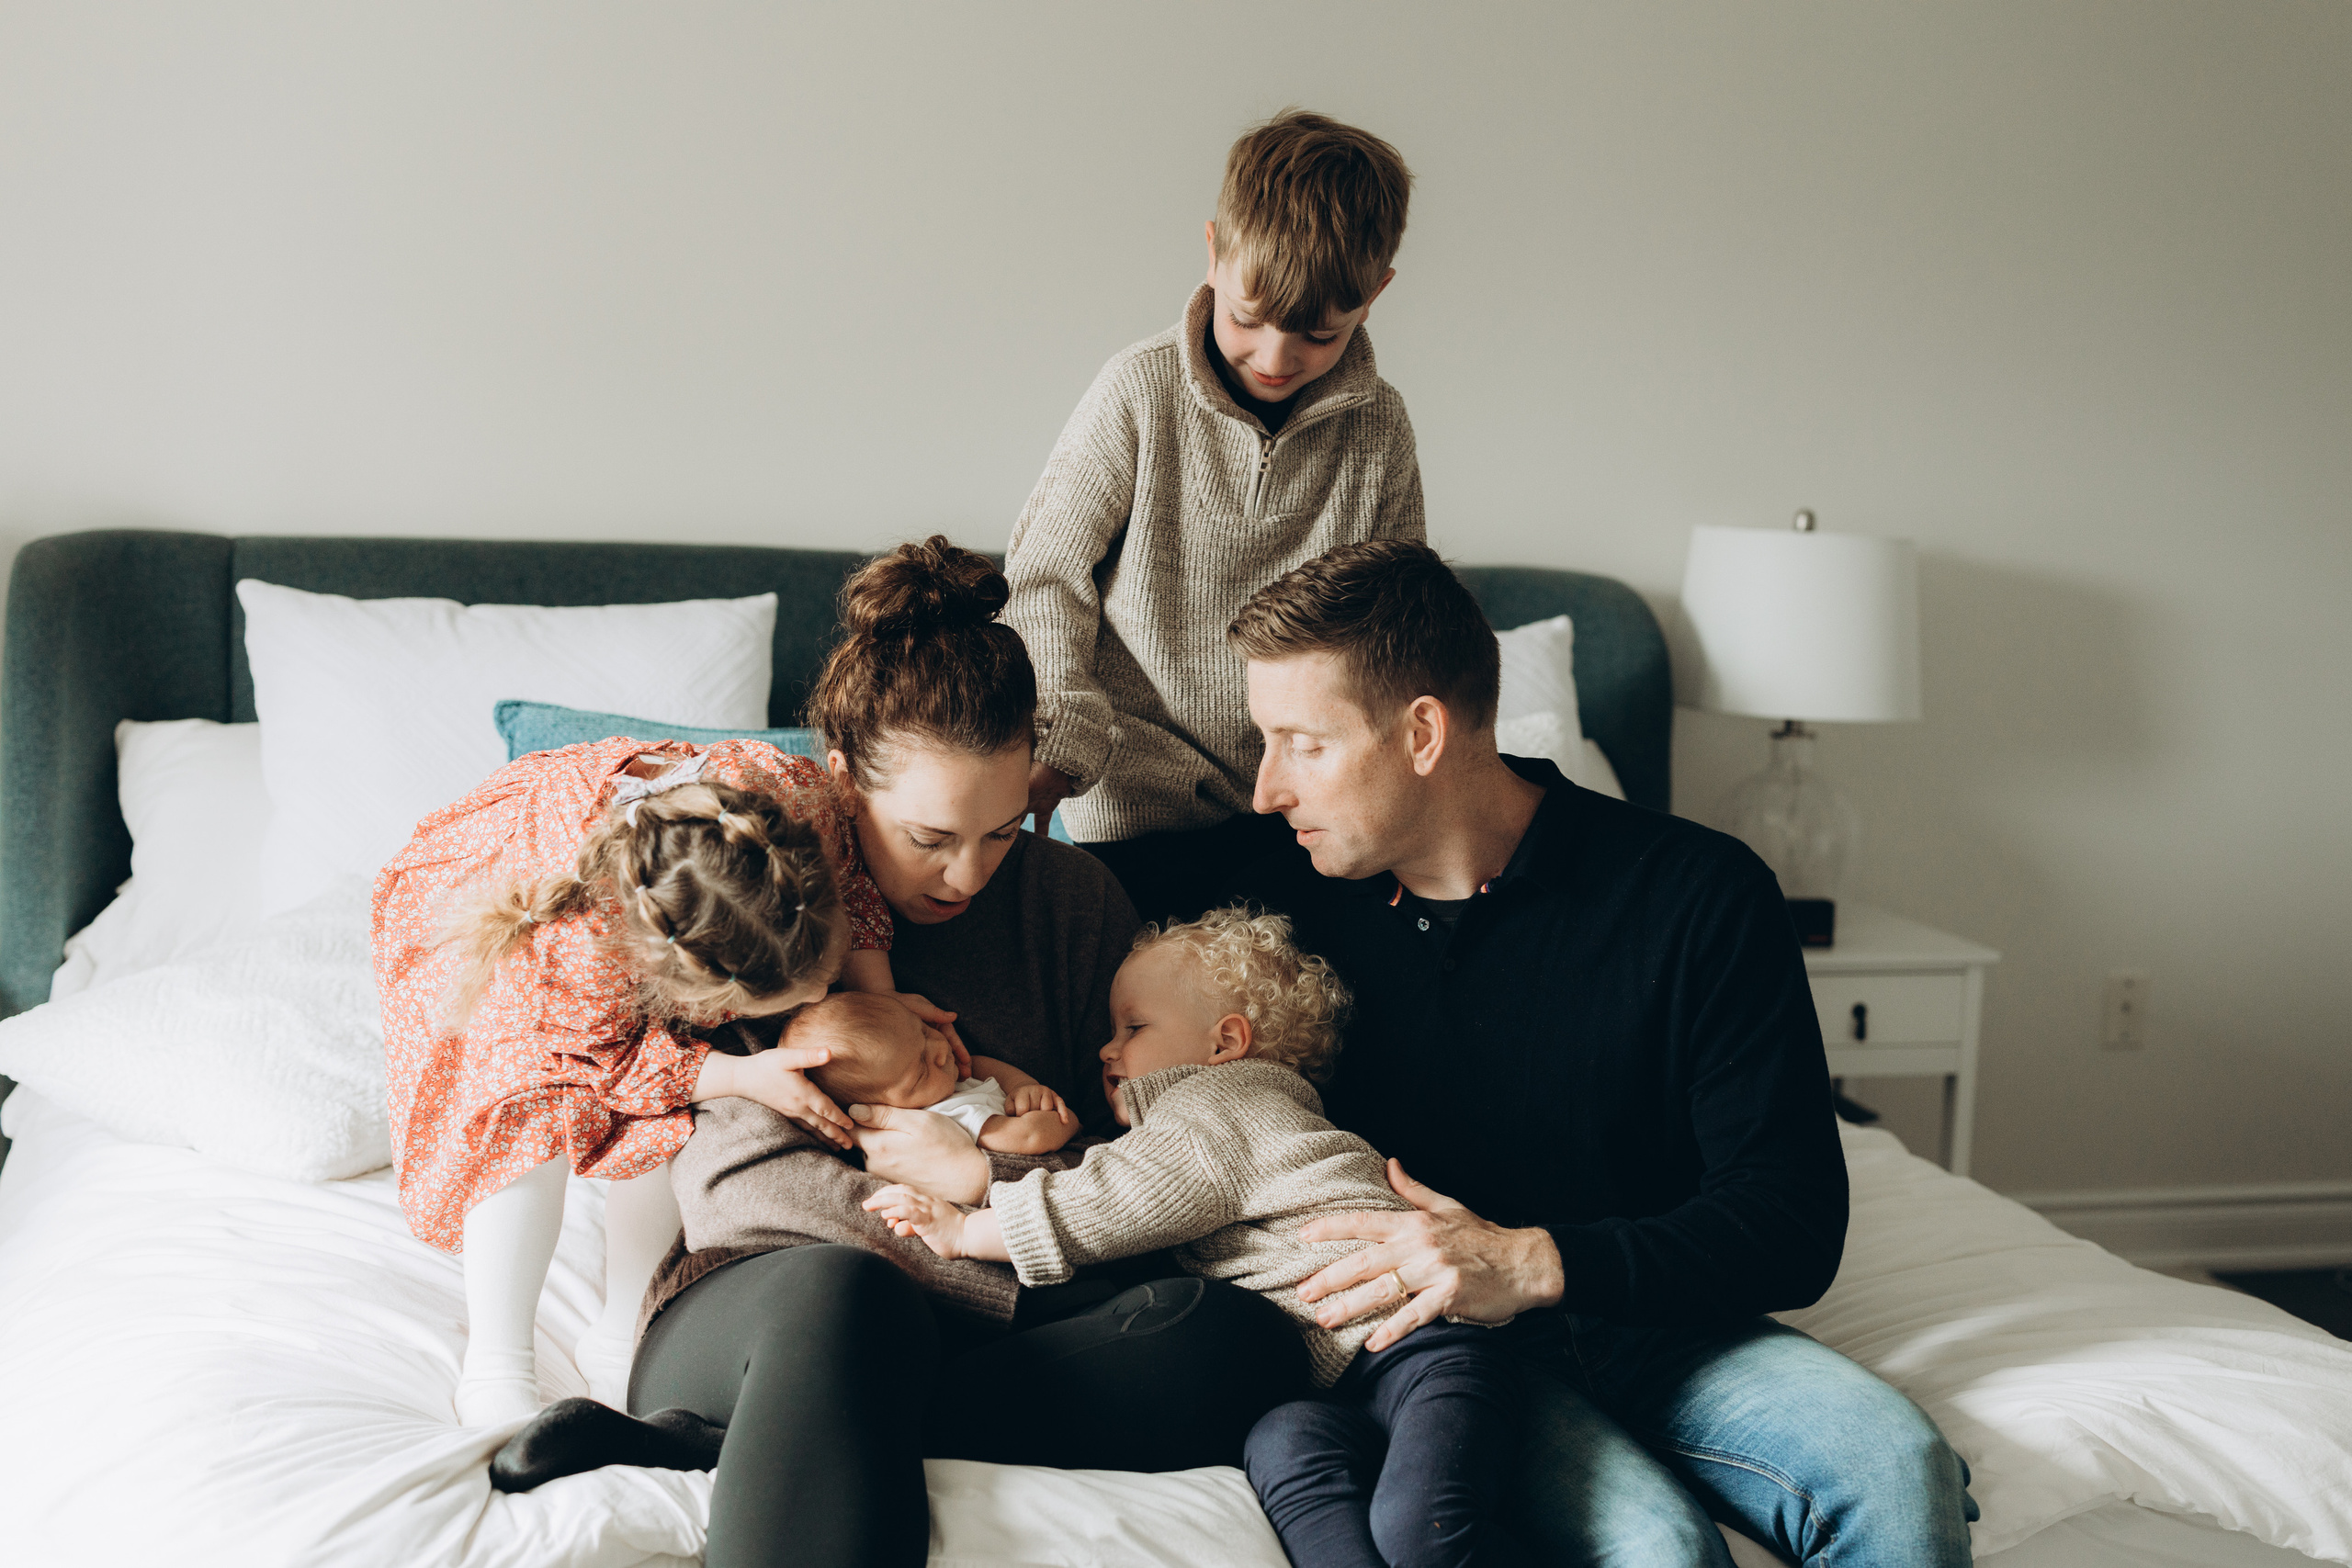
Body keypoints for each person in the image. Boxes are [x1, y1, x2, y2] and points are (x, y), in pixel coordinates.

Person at [488, 537, 1309, 1568]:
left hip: (1013, 1292)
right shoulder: (759, 891)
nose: (968, 875)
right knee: (849, 1298)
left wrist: (988, 1181)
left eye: (1003, 832)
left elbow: (1134, 1148)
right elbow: (744, 1192)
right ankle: (758, 1414)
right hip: (776, 1312)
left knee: (1241, 1342)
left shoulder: (1072, 905)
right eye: (930, 839)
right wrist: (968, 1244)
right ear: (839, 783)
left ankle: (704, 1451)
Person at [1226, 540, 1979, 1567]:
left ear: (1421, 733)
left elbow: (1793, 1221)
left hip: (1666, 1319)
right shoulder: (1283, 892)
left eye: (1301, 744)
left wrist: (1535, 1261)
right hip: (1453, 1354)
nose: (1268, 789)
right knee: (1658, 1549)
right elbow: (1023, 887)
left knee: (1897, 1465)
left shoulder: (1696, 895)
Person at [867, 905, 1522, 1568]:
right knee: (1282, 1451)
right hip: (1327, 1383)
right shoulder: (1217, 1117)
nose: (1106, 1048)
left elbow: (1109, 1200)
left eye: (1134, 1027)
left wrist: (964, 1228)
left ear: (1225, 1042)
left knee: (1423, 1530)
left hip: (1421, 1342)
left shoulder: (1221, 1105)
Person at [374, 735, 954, 1425]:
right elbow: (607, 1060)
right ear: (704, 992)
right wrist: (741, 1072)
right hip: (505, 915)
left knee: (667, 1120)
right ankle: (498, 1358)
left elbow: (852, 892)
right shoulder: (577, 956)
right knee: (526, 1115)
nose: (827, 986)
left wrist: (880, 1011)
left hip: (686, 884)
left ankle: (623, 1329)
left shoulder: (797, 811)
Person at [1002, 108, 1422, 926]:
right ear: (1214, 252)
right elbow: (1046, 578)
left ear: (1375, 295)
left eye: (1316, 334)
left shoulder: (1378, 431)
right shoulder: (1138, 391)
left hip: (1297, 819)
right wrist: (1060, 737)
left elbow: (1394, 630)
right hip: (1126, 807)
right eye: (1247, 317)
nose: (1273, 358)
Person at [793, 989, 1079, 1156]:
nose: (940, 1052)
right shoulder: (948, 1115)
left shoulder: (951, 1080)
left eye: (924, 1031)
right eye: (919, 1070)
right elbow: (1031, 1138)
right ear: (875, 1109)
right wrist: (1067, 1120)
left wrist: (1023, 1085)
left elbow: (981, 1064)